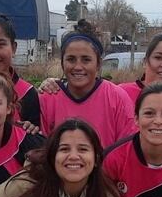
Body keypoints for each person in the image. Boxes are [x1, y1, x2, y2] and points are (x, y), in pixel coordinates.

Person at [38, 20, 136, 148]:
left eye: (86, 60)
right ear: (62, 63)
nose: (78, 66)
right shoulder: (48, 97)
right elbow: (41, 149)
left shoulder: (117, 98)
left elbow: (127, 151)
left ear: (98, 64)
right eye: (71, 59)